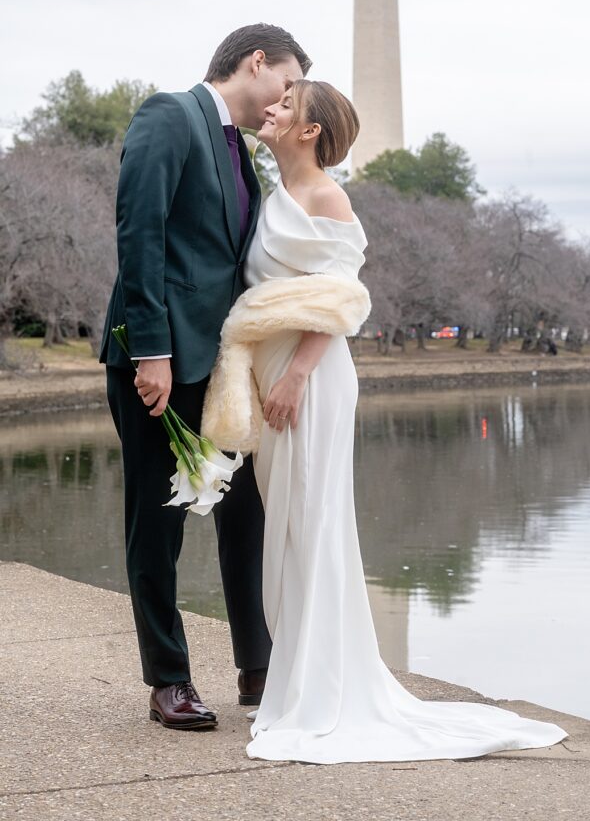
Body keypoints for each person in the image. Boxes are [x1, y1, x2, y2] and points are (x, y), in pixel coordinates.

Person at [203, 78, 568, 763]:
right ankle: (296, 683)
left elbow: (342, 300)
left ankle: (321, 692)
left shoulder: (325, 196)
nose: (270, 109)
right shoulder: (273, 192)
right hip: (271, 377)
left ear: (309, 130)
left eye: (285, 104)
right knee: (284, 534)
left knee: (311, 527)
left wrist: (296, 377)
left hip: (307, 381)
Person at [99, 23, 311, 729]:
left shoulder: (241, 154)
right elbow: (140, 232)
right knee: (157, 521)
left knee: (243, 512)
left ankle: (257, 669)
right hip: (158, 362)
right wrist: (152, 352)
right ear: (256, 62)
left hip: (222, 368)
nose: (286, 99)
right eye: (285, 82)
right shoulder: (171, 115)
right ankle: (169, 681)